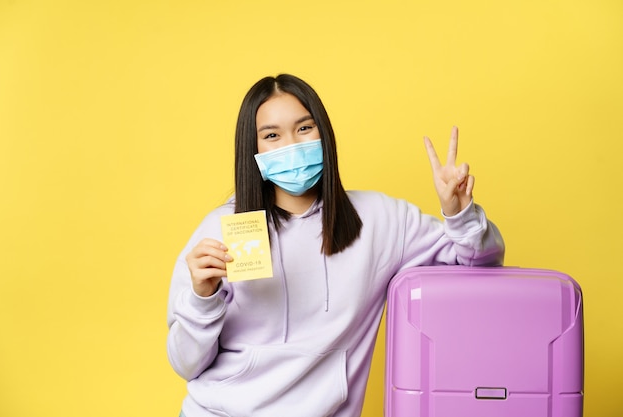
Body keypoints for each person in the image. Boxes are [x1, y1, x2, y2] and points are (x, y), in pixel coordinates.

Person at [166, 74, 505, 417]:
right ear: (253, 150)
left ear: (324, 134)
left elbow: (482, 264)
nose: (291, 145)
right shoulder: (220, 229)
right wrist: (202, 300)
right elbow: (186, 364)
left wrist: (459, 212)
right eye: (272, 135)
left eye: (304, 128)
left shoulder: (380, 220)